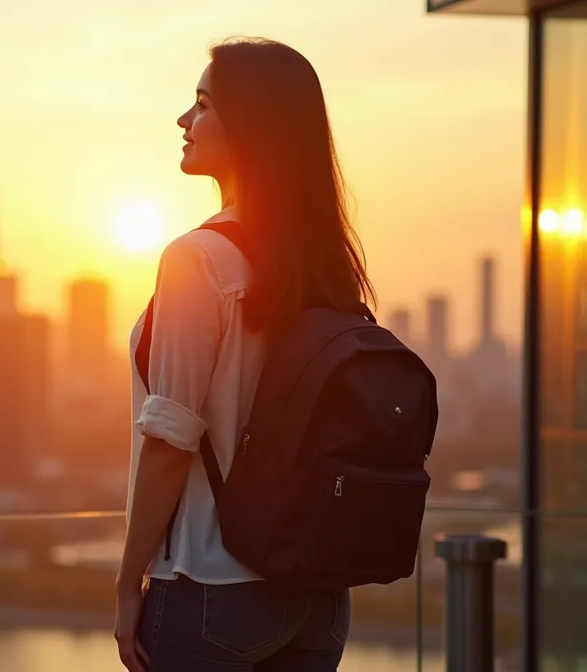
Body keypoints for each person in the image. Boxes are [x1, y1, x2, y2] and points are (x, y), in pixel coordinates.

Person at [114, 37, 375, 671]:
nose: (184, 120)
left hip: (211, 591)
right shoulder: (323, 262)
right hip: (318, 596)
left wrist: (127, 586)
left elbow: (171, 439)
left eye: (201, 104)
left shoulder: (196, 259)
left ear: (250, 127)